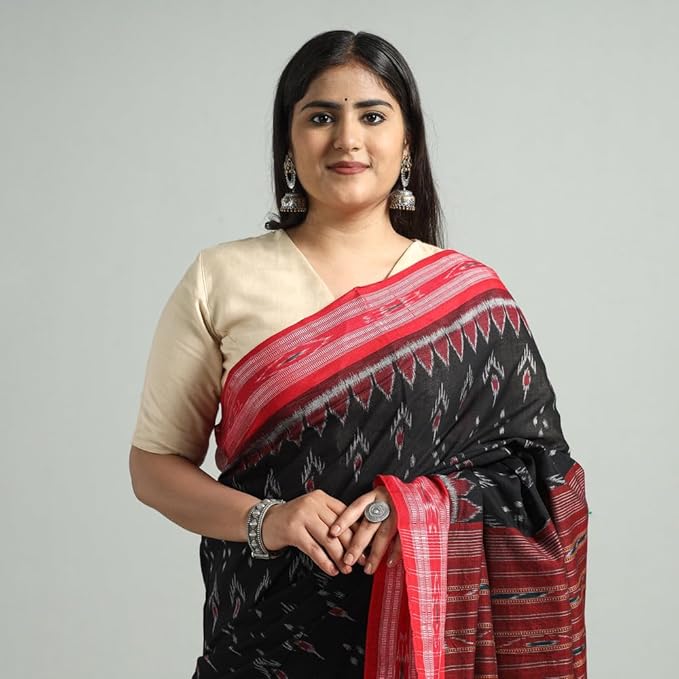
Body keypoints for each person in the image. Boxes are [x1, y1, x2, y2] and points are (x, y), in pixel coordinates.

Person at [129, 30, 588, 679]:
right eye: (321, 117)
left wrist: (415, 509)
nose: (347, 139)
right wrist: (270, 519)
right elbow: (152, 467)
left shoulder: (470, 296)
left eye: (372, 116)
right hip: (267, 641)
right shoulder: (221, 277)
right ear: (288, 142)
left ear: (407, 143)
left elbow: (545, 483)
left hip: (428, 644)